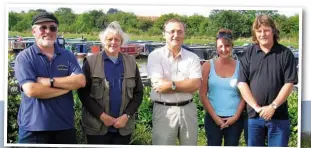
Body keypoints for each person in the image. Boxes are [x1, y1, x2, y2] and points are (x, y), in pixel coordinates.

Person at [14, 12, 86, 144]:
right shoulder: (24, 57)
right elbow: (31, 90)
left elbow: (80, 81)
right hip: (33, 129)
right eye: (43, 27)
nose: (48, 31)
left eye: (52, 28)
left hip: (65, 127)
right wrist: (65, 88)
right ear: (34, 31)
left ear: (57, 31)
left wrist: (49, 82)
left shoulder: (68, 55)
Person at [77, 21, 143, 145]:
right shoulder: (90, 62)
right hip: (96, 128)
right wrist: (102, 116)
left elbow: (138, 93)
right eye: (109, 39)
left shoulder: (131, 62)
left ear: (121, 42)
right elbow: (83, 93)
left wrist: (126, 116)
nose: (113, 42)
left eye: (117, 39)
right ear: (103, 41)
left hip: (123, 127)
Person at [237, 14, 298, 147]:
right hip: (253, 117)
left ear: (273, 31)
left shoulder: (285, 53)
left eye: (266, 30)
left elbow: (289, 83)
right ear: (255, 33)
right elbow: (242, 83)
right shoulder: (248, 54)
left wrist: (273, 106)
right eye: (259, 31)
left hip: (279, 117)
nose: (262, 34)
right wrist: (257, 108)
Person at [147, 18, 202, 145]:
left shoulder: (193, 58)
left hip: (188, 110)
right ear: (164, 34)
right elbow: (158, 86)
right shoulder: (155, 56)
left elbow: (196, 84)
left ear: (184, 34)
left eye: (179, 31)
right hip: (164, 111)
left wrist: (170, 85)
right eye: (171, 31)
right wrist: (186, 84)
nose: (176, 35)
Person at [199, 29, 245, 146]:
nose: (224, 49)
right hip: (213, 118)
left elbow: (244, 96)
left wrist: (235, 117)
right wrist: (215, 117)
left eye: (227, 45)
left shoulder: (241, 67)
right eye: (220, 46)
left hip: (235, 119)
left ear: (232, 46)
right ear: (216, 48)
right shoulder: (207, 65)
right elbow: (203, 94)